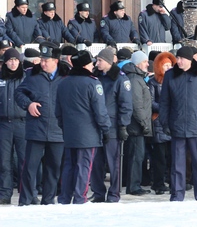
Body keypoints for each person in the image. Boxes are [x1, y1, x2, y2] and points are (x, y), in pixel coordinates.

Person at [160, 46, 197, 202]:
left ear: (190, 59)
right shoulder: (170, 75)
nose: (178, 61)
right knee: (177, 164)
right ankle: (177, 195)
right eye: (177, 58)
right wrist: (164, 122)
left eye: (181, 59)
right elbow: (164, 102)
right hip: (176, 125)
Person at [15, 42, 69, 206]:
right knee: (29, 168)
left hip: (58, 132)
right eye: (42, 59)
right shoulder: (32, 75)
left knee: (53, 170)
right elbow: (19, 93)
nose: (43, 63)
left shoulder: (66, 77)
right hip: (36, 130)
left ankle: (48, 201)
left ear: (56, 61)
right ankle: (25, 201)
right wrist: (28, 104)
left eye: (47, 60)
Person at [55, 50, 111, 204]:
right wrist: (105, 129)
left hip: (69, 133)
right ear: (86, 65)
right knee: (84, 166)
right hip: (89, 134)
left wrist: (65, 127)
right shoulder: (93, 83)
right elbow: (100, 112)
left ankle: (65, 198)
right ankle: (80, 198)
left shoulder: (63, 83)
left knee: (69, 166)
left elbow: (58, 112)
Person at [90, 47, 133, 203]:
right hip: (96, 126)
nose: (97, 63)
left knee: (113, 162)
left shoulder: (121, 79)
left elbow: (126, 105)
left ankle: (114, 193)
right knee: (96, 162)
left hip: (113, 126)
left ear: (108, 62)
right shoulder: (95, 77)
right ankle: (98, 192)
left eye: (100, 60)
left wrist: (123, 125)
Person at [121, 51, 153, 196]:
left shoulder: (137, 78)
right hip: (136, 127)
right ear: (139, 63)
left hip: (137, 126)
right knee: (136, 156)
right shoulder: (134, 79)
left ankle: (133, 184)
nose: (148, 64)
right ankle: (133, 186)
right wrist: (144, 123)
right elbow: (136, 105)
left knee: (137, 156)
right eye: (146, 61)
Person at [0, 48, 26, 205]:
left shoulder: (25, 78)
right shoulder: (1, 78)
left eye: (16, 60)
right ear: (5, 62)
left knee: (24, 160)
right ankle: (5, 193)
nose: (13, 62)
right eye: (10, 60)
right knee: (4, 161)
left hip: (22, 124)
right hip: (4, 124)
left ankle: (26, 193)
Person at [147, 51, 175, 195]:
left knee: (172, 156)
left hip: (172, 121)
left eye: (170, 65)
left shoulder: (174, 80)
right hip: (158, 121)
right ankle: (158, 183)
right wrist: (165, 107)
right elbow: (150, 102)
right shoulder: (152, 82)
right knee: (159, 157)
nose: (168, 68)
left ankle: (172, 181)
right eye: (165, 65)